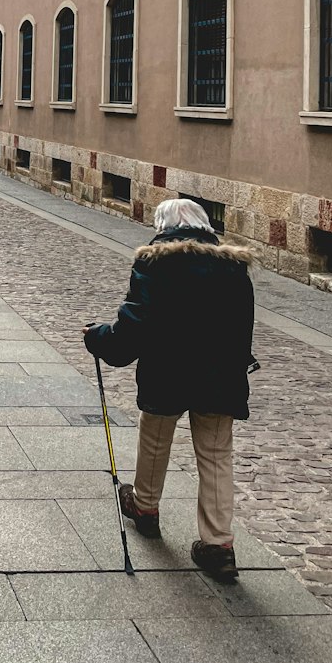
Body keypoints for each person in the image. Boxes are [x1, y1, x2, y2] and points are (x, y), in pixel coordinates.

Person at [82, 197, 257, 583]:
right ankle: (218, 544)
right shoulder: (233, 267)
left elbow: (134, 326)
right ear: (206, 227)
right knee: (215, 455)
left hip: (167, 373)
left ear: (163, 227)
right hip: (219, 378)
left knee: (156, 438)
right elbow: (242, 330)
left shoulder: (156, 263)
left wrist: (99, 338)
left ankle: (145, 508)